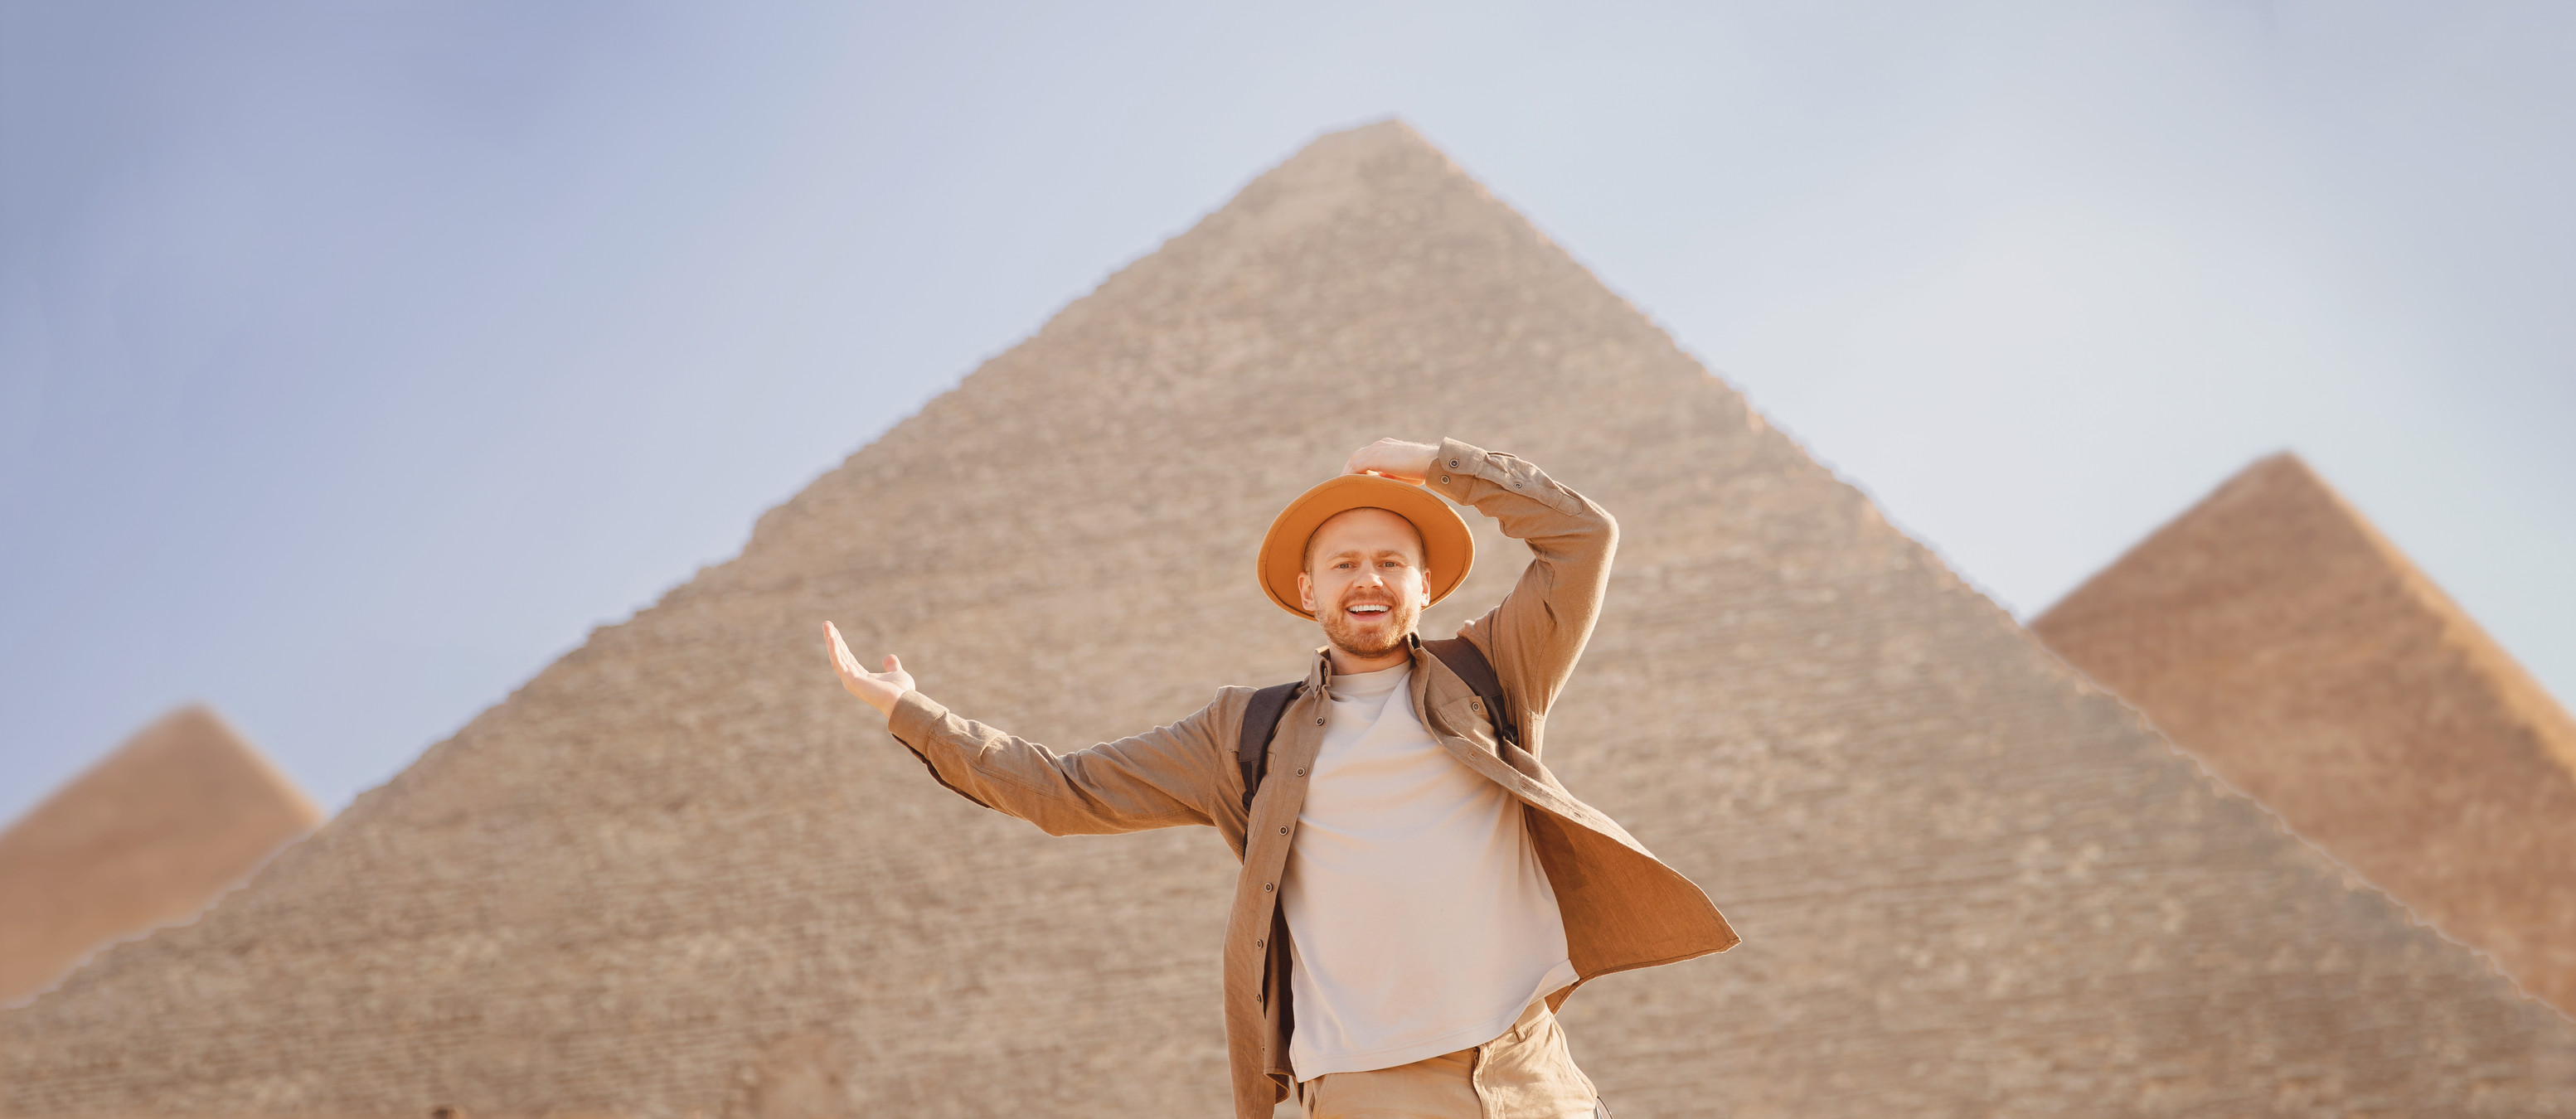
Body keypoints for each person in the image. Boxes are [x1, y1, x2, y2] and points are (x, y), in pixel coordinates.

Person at [824, 437, 1734, 1119]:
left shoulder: (1494, 674)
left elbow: (1582, 537)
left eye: (1390, 562)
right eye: (1343, 565)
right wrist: (910, 710)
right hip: (1370, 1089)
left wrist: (1437, 465)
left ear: (1426, 589)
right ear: (1306, 590)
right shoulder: (1243, 733)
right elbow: (1064, 791)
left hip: (1527, 1074)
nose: (1366, 580)